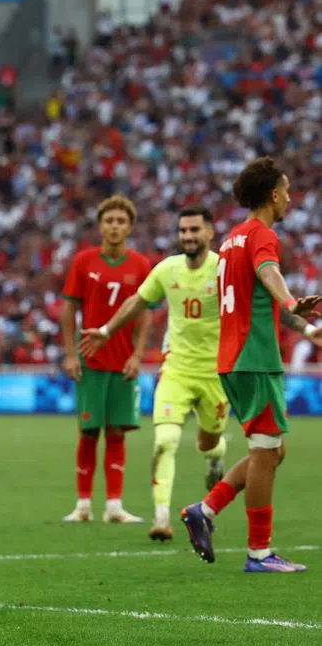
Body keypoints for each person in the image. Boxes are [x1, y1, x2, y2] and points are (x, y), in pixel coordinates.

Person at [181, 156, 322, 573]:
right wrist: (292, 299)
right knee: (266, 451)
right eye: (288, 191)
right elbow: (269, 275)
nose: (291, 199)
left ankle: (204, 511)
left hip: (236, 356)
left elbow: (256, 299)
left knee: (273, 450)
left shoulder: (231, 240)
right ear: (274, 194)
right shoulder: (262, 236)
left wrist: (306, 328)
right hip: (253, 359)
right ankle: (259, 553)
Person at [80, 207, 228, 541]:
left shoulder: (223, 269)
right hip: (175, 370)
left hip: (216, 375)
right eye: (183, 231)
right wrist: (105, 330)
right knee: (165, 441)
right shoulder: (167, 269)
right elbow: (137, 302)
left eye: (194, 230)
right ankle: (162, 518)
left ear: (209, 233)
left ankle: (215, 461)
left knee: (210, 443)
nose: (188, 236)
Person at [60, 196, 152, 525]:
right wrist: (71, 354)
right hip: (90, 360)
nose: (114, 226)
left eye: (120, 221)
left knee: (117, 433)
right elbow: (69, 310)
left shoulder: (141, 265)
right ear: (100, 226)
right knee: (88, 432)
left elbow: (144, 316)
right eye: (109, 220)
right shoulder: (84, 262)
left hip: (122, 362)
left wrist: (138, 355)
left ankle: (114, 506)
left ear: (129, 227)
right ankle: (83, 505)